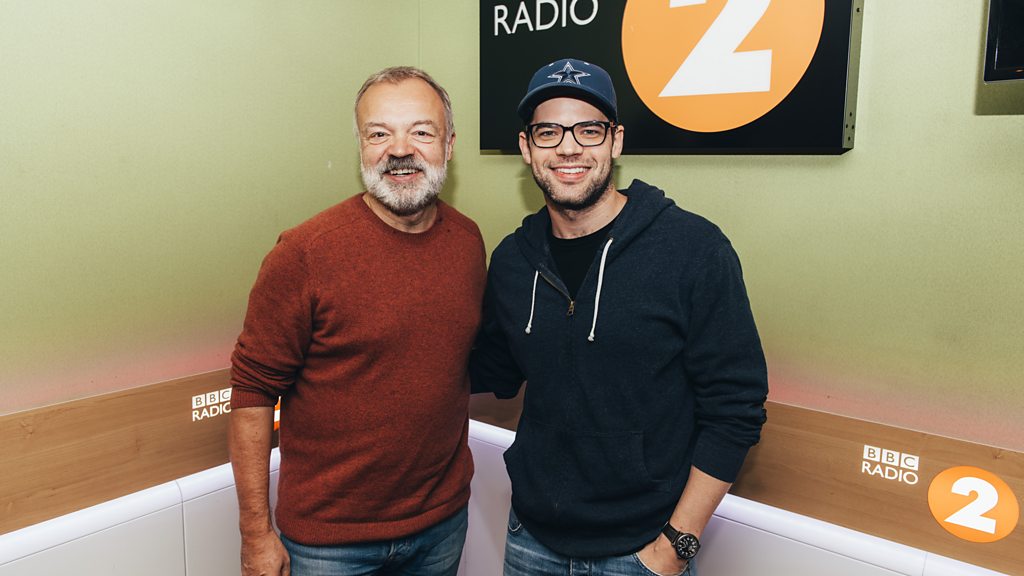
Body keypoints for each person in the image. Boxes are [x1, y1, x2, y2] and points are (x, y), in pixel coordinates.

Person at [470, 58, 769, 576]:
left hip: (643, 549)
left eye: (588, 130)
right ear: (526, 147)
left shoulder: (692, 249)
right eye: (548, 132)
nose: (568, 148)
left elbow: (735, 408)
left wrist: (675, 545)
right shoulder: (514, 260)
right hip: (531, 539)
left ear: (616, 141)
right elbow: (493, 369)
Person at [228, 66, 485, 576]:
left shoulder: (468, 242)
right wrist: (256, 533)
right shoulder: (305, 253)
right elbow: (252, 393)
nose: (400, 150)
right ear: (361, 148)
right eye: (379, 134)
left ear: (449, 145)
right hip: (330, 546)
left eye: (421, 132)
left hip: (441, 526)